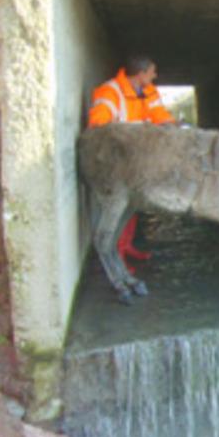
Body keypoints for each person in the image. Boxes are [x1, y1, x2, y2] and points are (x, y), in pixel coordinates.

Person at [88, 54, 175, 273]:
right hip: (114, 160)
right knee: (118, 207)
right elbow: (98, 124)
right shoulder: (109, 91)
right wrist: (137, 130)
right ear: (141, 74)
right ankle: (116, 254)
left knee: (133, 203)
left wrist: (174, 126)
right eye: (152, 72)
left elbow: (158, 114)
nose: (155, 75)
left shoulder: (148, 91)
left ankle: (127, 246)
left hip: (135, 158)